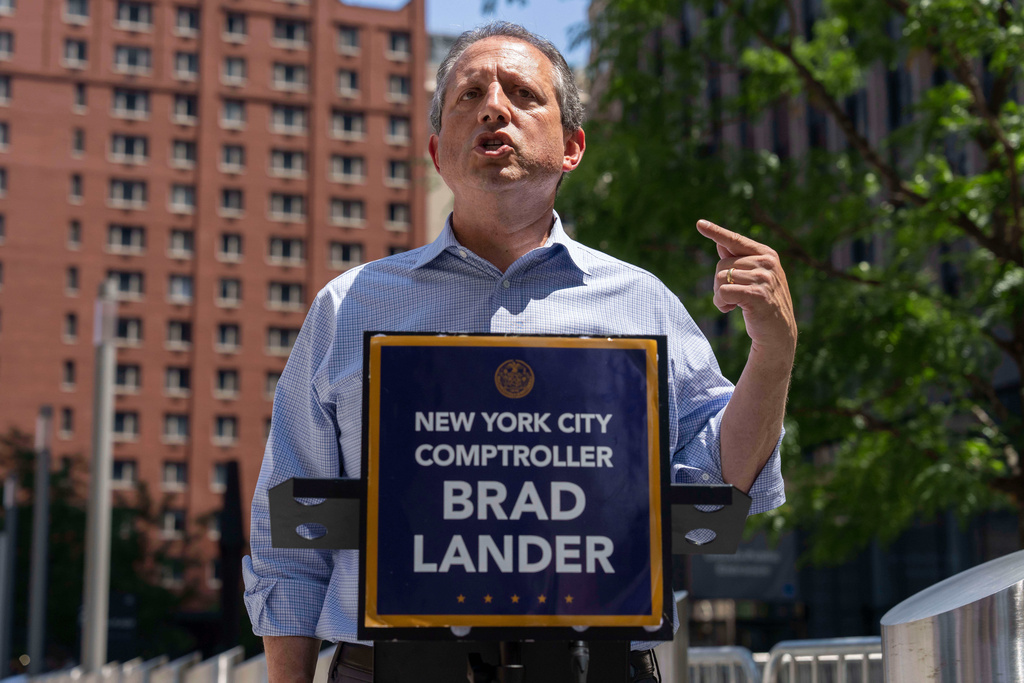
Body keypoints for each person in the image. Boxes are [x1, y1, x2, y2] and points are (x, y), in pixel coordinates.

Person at [243, 21, 797, 683]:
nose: (494, 107)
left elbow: (720, 487)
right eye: (469, 95)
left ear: (572, 147)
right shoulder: (350, 306)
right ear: (436, 151)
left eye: (522, 95)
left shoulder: (642, 303)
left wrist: (773, 351)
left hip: (598, 667)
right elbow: (284, 538)